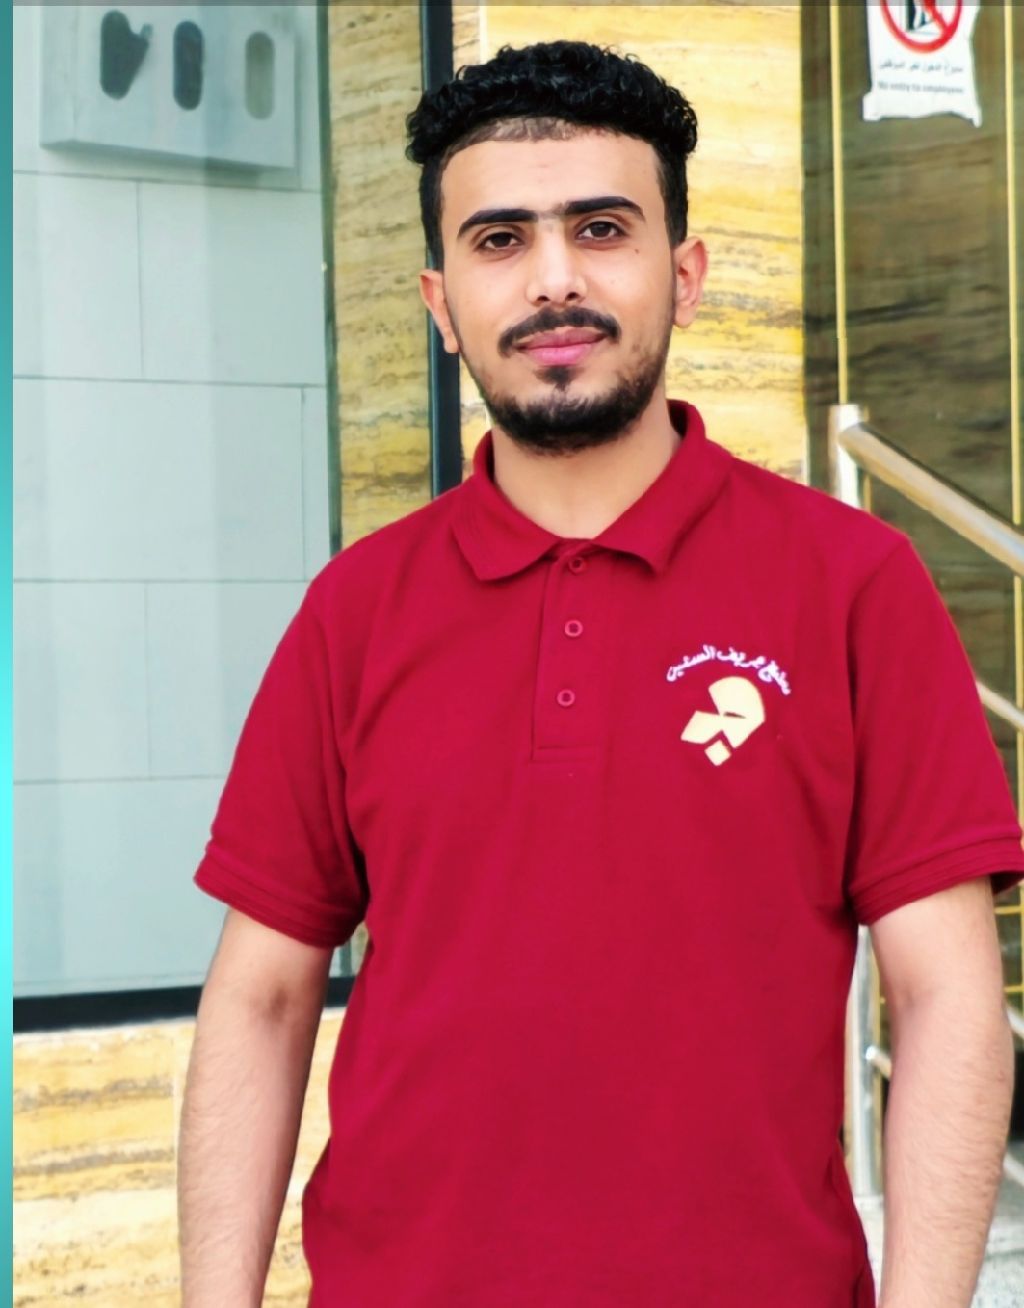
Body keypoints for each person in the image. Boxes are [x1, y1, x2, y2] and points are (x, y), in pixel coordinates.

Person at [177, 40, 1024, 1308]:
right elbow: (260, 999)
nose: (554, 278)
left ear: (684, 275)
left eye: (602, 227)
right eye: (500, 240)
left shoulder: (851, 584)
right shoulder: (356, 609)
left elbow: (945, 993)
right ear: (439, 301)